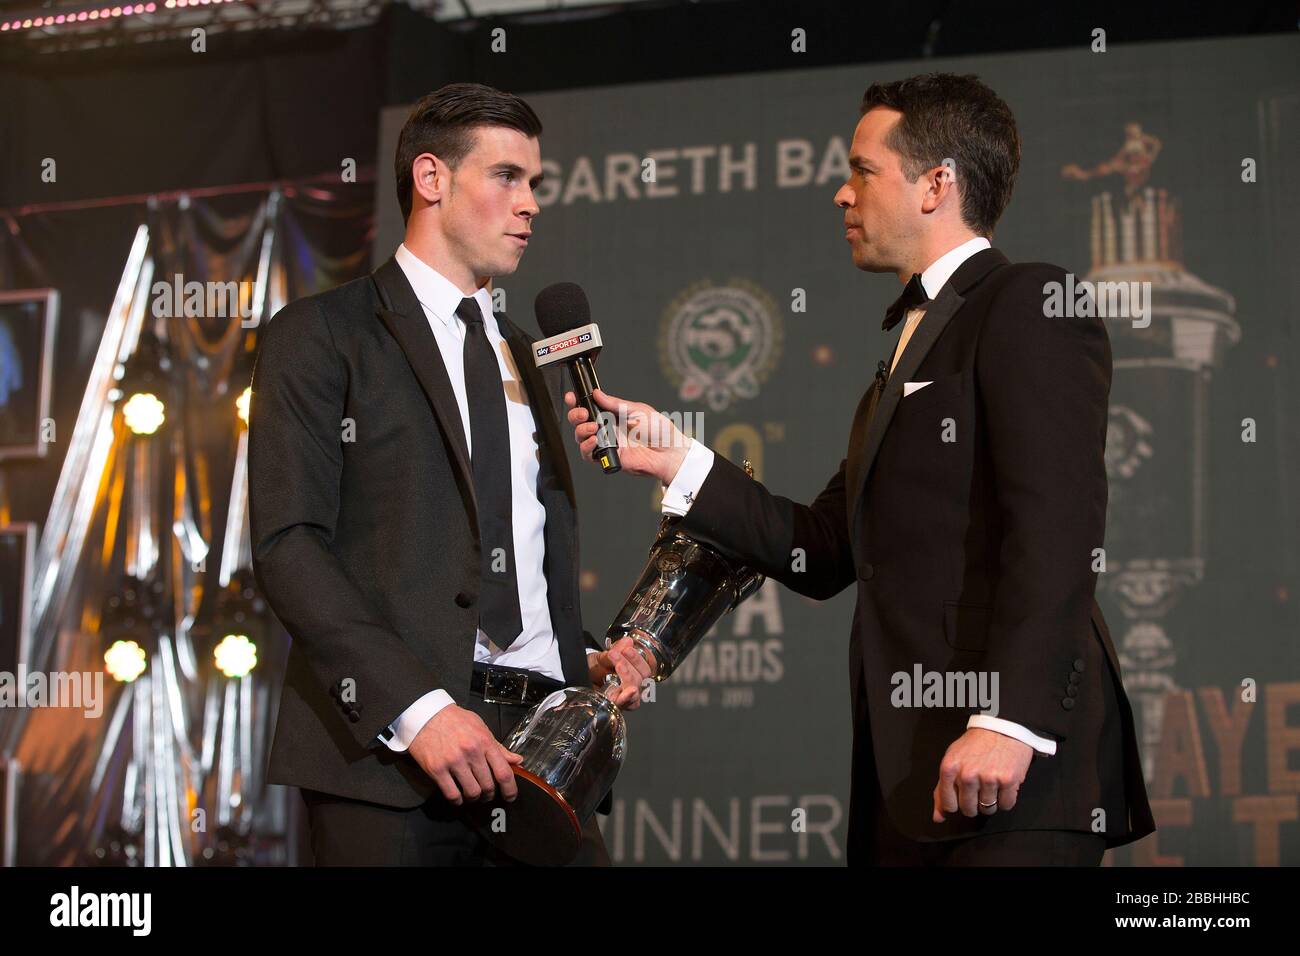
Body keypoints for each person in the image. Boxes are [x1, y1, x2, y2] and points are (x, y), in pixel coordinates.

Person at [567, 73, 1154, 865]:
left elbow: (1058, 532)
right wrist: (675, 455)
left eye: (862, 171)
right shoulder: (914, 340)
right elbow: (823, 549)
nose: (843, 196)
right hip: (909, 779)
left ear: (936, 184)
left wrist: (1008, 723)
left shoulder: (1028, 300)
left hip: (1010, 774)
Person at [249, 82, 651, 866]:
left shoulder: (532, 355)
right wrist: (420, 709)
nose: (530, 203)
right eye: (507, 177)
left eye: (536, 183)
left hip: (545, 761)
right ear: (431, 179)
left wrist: (582, 652)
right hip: (393, 764)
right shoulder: (322, 334)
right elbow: (288, 545)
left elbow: (513, 553)